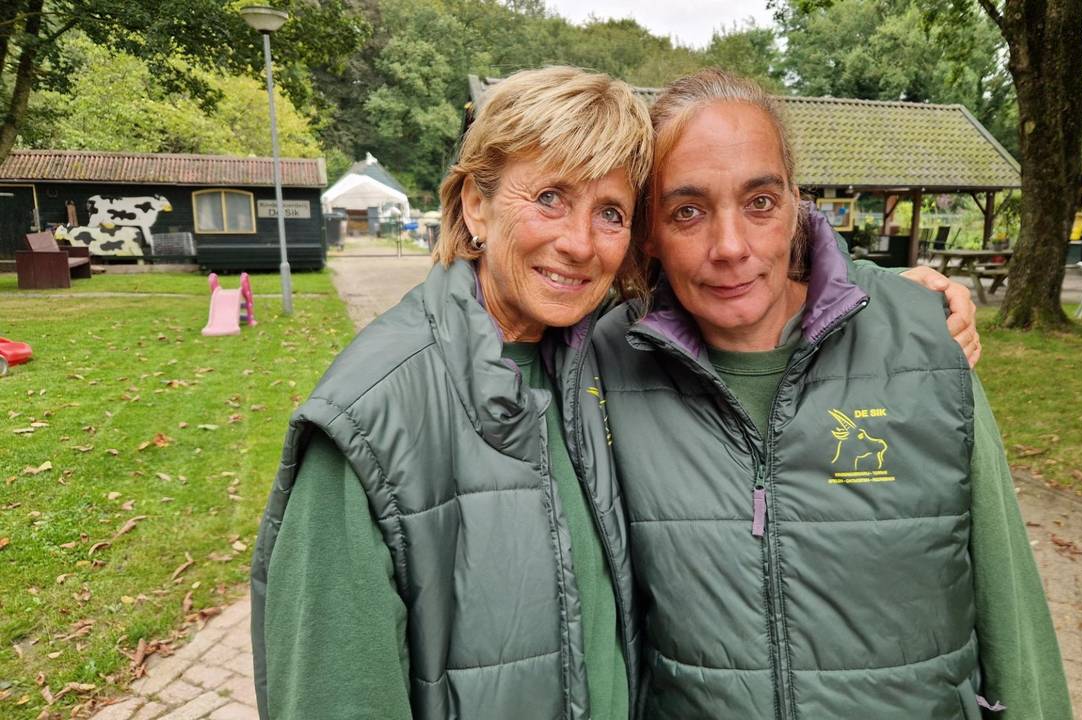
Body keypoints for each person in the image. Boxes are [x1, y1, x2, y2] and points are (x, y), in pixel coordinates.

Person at [249, 66, 981, 720]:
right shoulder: (374, 420)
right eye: (549, 198)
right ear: (476, 204)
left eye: (609, 212)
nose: (579, 241)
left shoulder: (593, 359)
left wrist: (894, 303)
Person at [591, 69, 1070, 718]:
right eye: (688, 211)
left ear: (796, 205)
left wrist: (892, 297)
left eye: (759, 202)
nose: (730, 247)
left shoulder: (923, 349)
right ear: (649, 233)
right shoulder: (604, 368)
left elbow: (1014, 617)